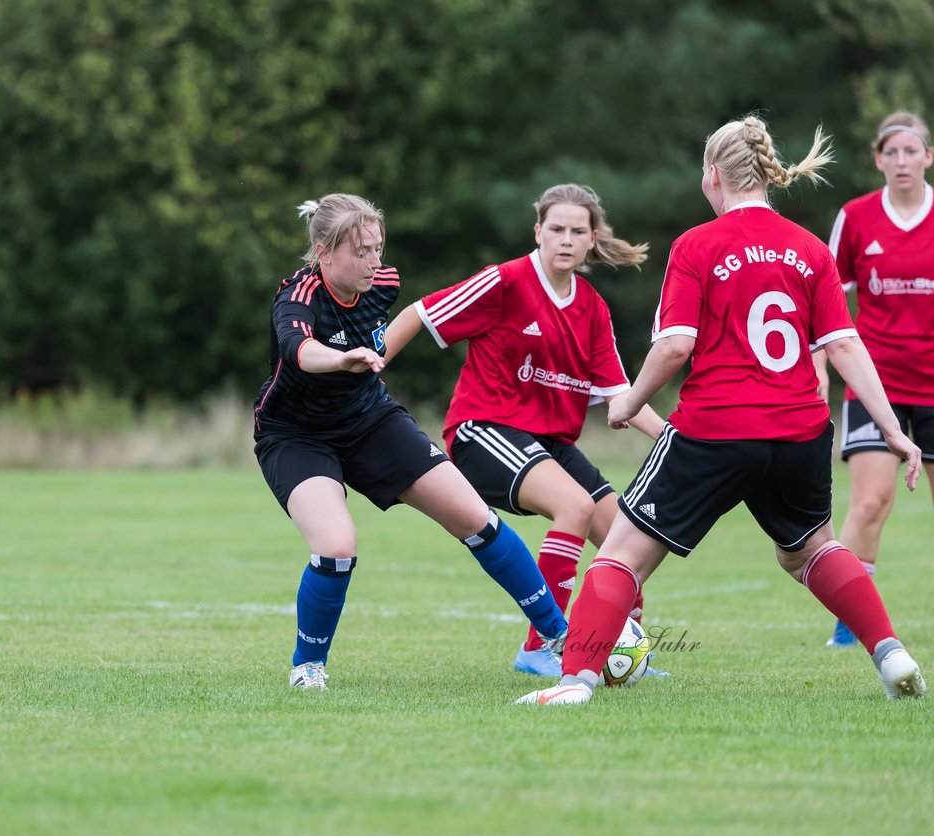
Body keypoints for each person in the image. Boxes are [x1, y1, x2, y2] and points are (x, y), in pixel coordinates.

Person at [515, 115, 927, 706]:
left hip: (717, 429)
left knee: (621, 556)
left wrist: (630, 400)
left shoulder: (697, 245)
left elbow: (677, 345)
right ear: (765, 174)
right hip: (799, 430)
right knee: (811, 549)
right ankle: (892, 654)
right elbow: (843, 346)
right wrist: (894, 431)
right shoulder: (810, 248)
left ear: (712, 176)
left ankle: (574, 681)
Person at [254, 192, 569, 690]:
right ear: (322, 253)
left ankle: (559, 639)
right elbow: (302, 351)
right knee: (336, 546)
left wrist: (370, 359)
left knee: (475, 518)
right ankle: (307, 669)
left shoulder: (382, 283)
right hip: (296, 435)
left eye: (378, 248)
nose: (375, 263)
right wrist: (341, 359)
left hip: (370, 420)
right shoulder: (297, 298)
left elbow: (413, 316)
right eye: (361, 252)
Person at [384, 183, 667, 678]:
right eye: (556, 228)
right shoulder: (504, 283)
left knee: (625, 538)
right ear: (537, 231)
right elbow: (419, 314)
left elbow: (620, 399)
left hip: (550, 444)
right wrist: (368, 368)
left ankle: (629, 656)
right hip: (483, 431)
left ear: (592, 238)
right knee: (574, 506)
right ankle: (541, 647)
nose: (566, 239)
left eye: (578, 231)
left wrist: (674, 440)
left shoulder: (593, 309)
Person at [820, 111, 934, 648]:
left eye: (913, 151)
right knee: (869, 503)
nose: (903, 161)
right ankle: (851, 622)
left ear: (927, 157)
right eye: (893, 152)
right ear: (878, 159)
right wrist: (819, 365)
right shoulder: (856, 217)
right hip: (875, 384)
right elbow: (825, 298)